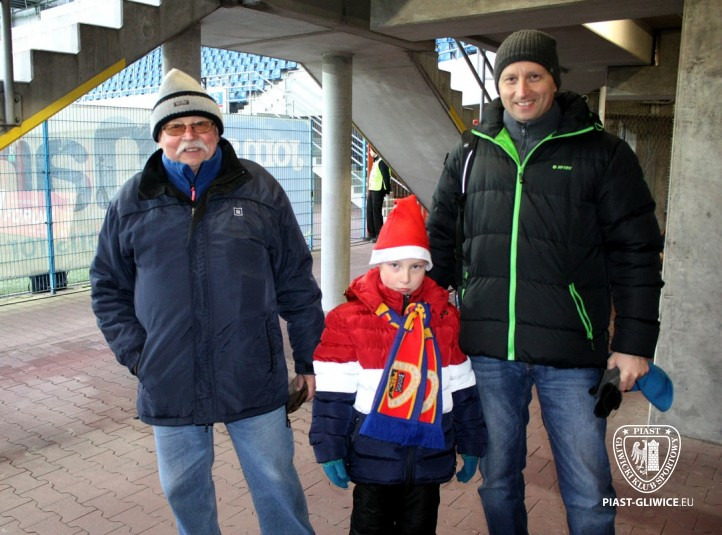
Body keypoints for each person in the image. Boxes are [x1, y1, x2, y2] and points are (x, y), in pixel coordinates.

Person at [426, 29, 663, 535]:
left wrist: (634, 344)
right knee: (497, 480)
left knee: (588, 488)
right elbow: (440, 244)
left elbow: (637, 253)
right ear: (498, 86)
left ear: (554, 80)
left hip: (571, 353)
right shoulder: (470, 154)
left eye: (534, 76)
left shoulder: (603, 154)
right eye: (510, 78)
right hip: (489, 350)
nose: (522, 89)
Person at [89, 68, 324, 535]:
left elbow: (296, 280)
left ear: (217, 131)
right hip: (169, 376)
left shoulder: (259, 190)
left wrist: (309, 358)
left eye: (201, 125)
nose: (189, 136)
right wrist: (139, 355)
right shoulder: (132, 200)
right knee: (184, 490)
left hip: (251, 371)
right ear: (160, 136)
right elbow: (107, 286)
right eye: (176, 127)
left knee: (277, 483)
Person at [310, 195, 487, 534]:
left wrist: (471, 443)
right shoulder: (347, 319)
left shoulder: (445, 317)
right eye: (395, 265)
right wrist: (329, 447)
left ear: (427, 267)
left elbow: (462, 388)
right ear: (379, 264)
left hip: (428, 455)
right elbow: (333, 394)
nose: (405, 277)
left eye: (416, 266)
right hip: (372, 457)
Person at [366, 146, 391, 242]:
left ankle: (379, 235)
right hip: (373, 188)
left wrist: (387, 190)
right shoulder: (376, 161)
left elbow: (386, 177)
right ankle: (371, 233)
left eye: (371, 151)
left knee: (376, 212)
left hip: (379, 190)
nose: (370, 152)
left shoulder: (382, 162)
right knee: (370, 211)